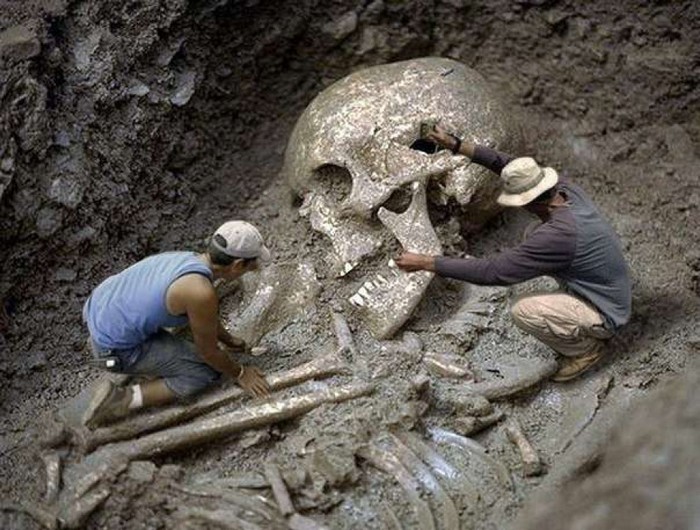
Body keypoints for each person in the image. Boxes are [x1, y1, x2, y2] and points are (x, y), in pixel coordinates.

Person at [396, 125, 631, 382]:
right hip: (609, 282)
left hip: (608, 309)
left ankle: (587, 349)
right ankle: (576, 304)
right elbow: (509, 164)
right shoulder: (564, 191)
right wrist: (456, 144)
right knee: (532, 231)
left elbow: (493, 272)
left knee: (524, 310)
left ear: (529, 201)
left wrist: (427, 262)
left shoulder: (556, 236)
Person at [82, 220, 272, 428]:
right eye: (252, 264)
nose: (254, 268)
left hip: (97, 311)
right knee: (203, 372)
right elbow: (208, 352)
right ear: (237, 265)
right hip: (112, 351)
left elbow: (203, 316)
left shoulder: (188, 260)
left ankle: (141, 358)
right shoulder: (200, 291)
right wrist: (241, 373)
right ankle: (121, 399)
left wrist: (228, 339)